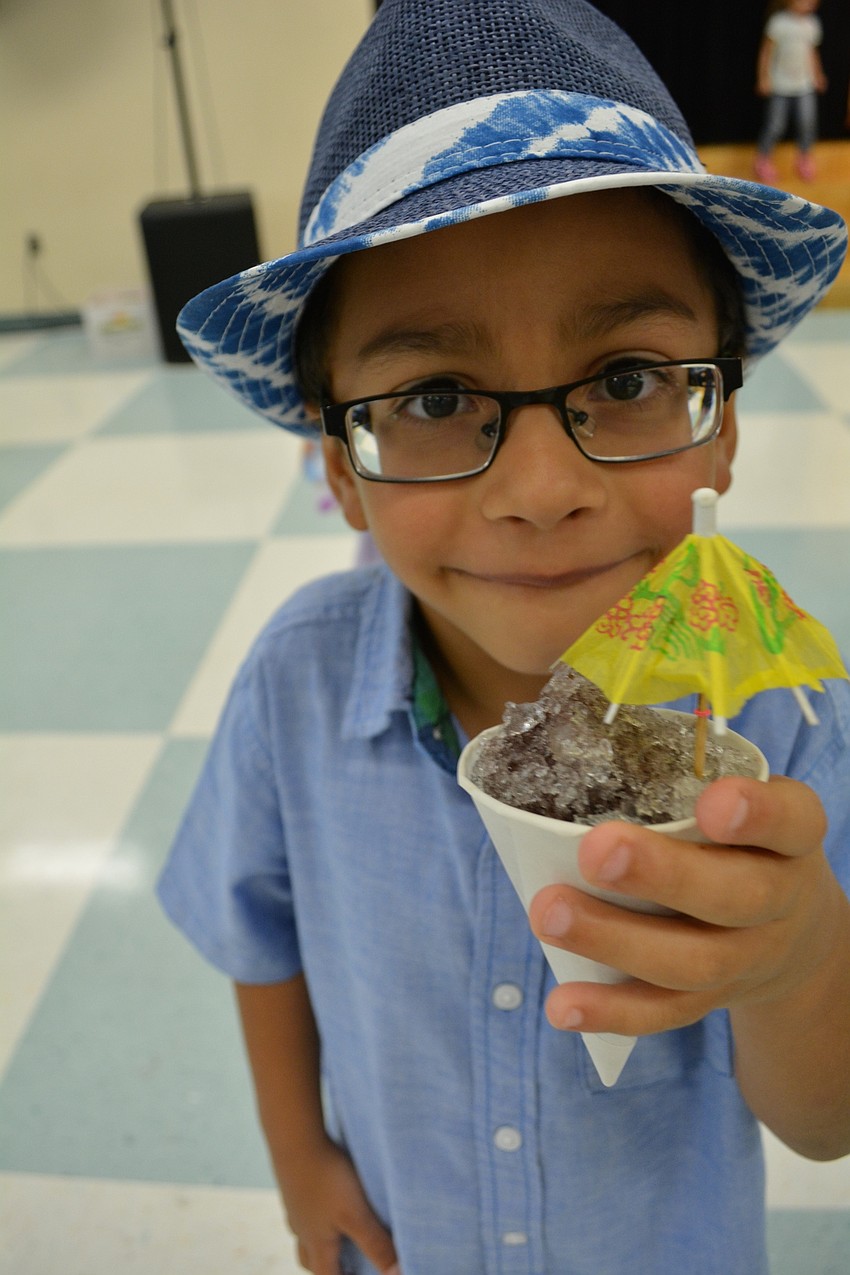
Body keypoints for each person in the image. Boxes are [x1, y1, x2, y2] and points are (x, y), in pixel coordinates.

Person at [157, 2, 850, 1272]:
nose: (540, 489)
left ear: (724, 429)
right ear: (342, 468)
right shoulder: (295, 684)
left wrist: (798, 959)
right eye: (433, 398)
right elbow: (261, 941)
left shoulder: (775, 723)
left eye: (628, 380)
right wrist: (298, 1158)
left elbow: (823, 1123)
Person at [755, 0, 827, 183]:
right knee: (775, 125)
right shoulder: (778, 22)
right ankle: (763, 159)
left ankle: (804, 158)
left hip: (804, 85)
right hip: (780, 86)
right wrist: (763, 77)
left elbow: (812, 52)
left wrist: (818, 74)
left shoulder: (812, 23)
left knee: (807, 124)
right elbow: (766, 52)